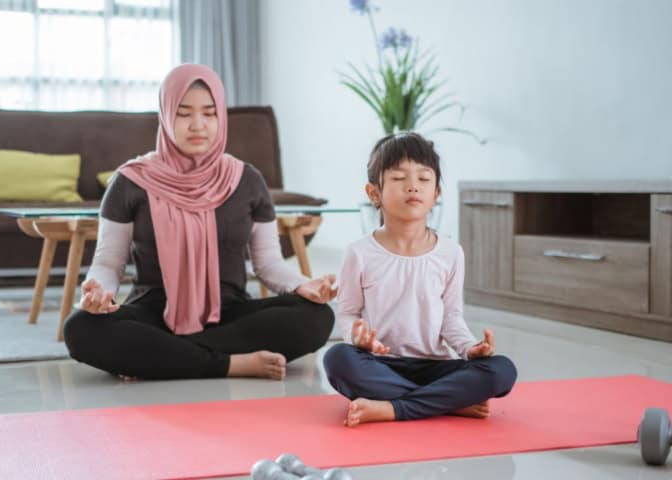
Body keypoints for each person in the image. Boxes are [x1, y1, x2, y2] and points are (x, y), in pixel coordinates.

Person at [64, 64, 336, 381]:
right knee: (80, 329)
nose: (198, 125)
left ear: (221, 116)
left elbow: (268, 264)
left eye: (209, 113)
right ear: (166, 115)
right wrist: (99, 292)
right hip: (154, 312)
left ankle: (161, 358)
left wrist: (304, 284)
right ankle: (231, 364)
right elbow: (109, 264)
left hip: (231, 312)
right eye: (183, 113)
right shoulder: (130, 181)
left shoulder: (246, 180)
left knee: (317, 317)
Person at [323, 132, 517, 427]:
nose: (413, 186)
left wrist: (468, 348)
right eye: (399, 178)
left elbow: (451, 317)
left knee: (502, 370)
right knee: (337, 359)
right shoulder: (359, 253)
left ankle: (393, 407)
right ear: (374, 193)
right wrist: (356, 338)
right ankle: (447, 403)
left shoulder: (451, 252)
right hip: (380, 365)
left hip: (435, 366)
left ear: (436, 193)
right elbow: (348, 312)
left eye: (424, 179)